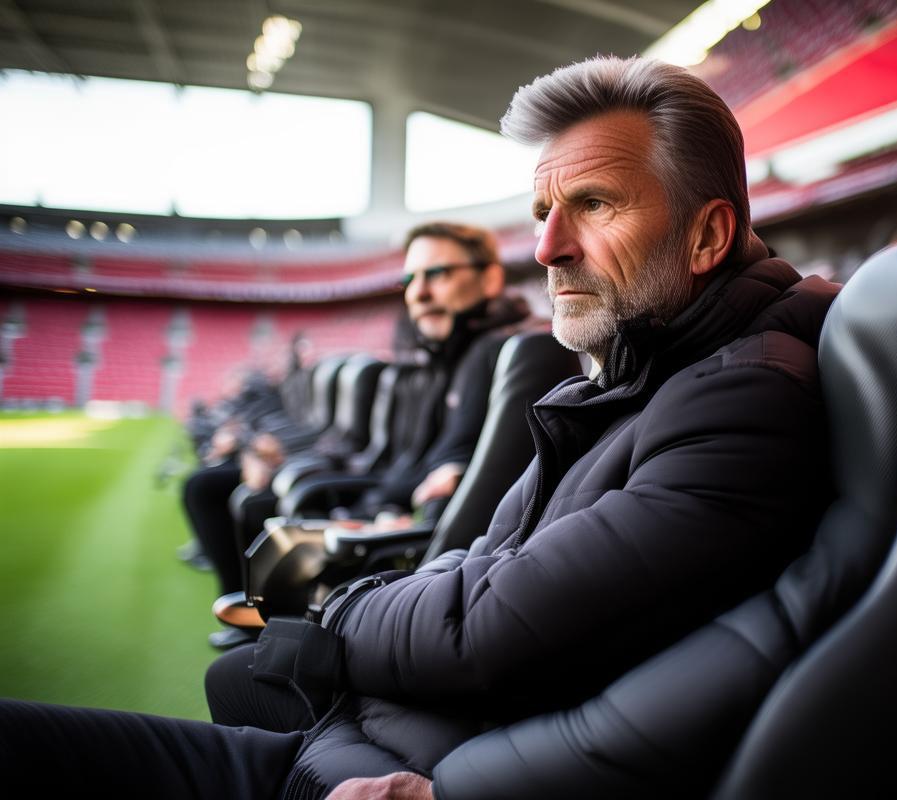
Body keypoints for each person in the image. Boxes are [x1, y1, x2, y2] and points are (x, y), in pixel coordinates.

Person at [0, 55, 838, 798]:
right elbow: (483, 561)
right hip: (382, 730)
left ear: (706, 235)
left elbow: (489, 625)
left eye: (593, 204)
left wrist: (332, 612)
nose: (547, 248)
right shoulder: (638, 380)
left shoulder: (740, 403)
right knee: (230, 675)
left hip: (392, 765)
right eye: (542, 210)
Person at [196, 222, 533, 648]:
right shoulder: (436, 359)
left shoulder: (491, 355)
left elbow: (459, 475)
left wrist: (386, 510)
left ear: (490, 278)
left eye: (438, 274)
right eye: (410, 280)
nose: (419, 293)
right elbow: (397, 458)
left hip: (428, 544)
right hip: (388, 508)